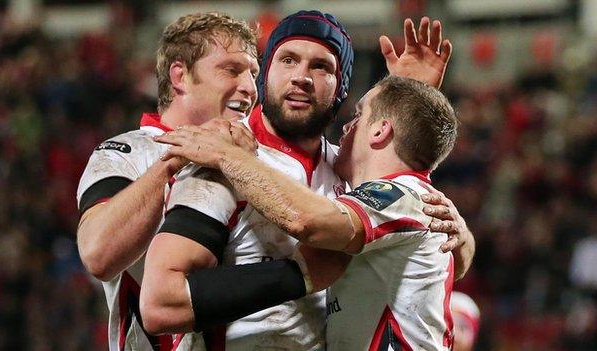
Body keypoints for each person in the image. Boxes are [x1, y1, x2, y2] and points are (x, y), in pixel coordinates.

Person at [140, 10, 474, 350]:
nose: (301, 76)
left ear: (341, 87)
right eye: (287, 60)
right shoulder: (221, 155)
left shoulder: (352, 171)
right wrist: (297, 276)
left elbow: (425, 246)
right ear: (265, 74)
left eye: (321, 66)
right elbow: (160, 304)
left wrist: (460, 237)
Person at [75, 12, 259, 350]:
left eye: (253, 74)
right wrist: (180, 155)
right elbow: (98, 254)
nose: (249, 88)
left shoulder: (257, 160)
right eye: (231, 70)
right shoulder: (126, 152)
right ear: (181, 76)